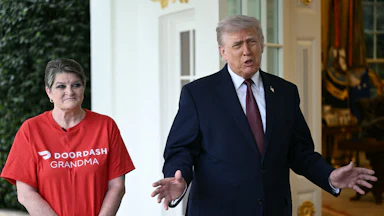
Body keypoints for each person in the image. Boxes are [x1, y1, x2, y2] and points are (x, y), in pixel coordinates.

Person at [151, 15, 377, 216]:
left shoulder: (286, 92)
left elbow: (299, 151)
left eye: (251, 42)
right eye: (237, 44)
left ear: (262, 45)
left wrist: (329, 175)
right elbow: (180, 149)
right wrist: (176, 179)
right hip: (217, 208)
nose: (246, 51)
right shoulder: (198, 94)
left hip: (273, 208)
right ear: (223, 52)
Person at [1, 58, 135, 216]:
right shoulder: (31, 130)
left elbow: (117, 186)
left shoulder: (105, 126)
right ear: (48, 92)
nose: (70, 92)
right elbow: (25, 193)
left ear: (83, 88)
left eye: (76, 85)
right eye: (61, 86)